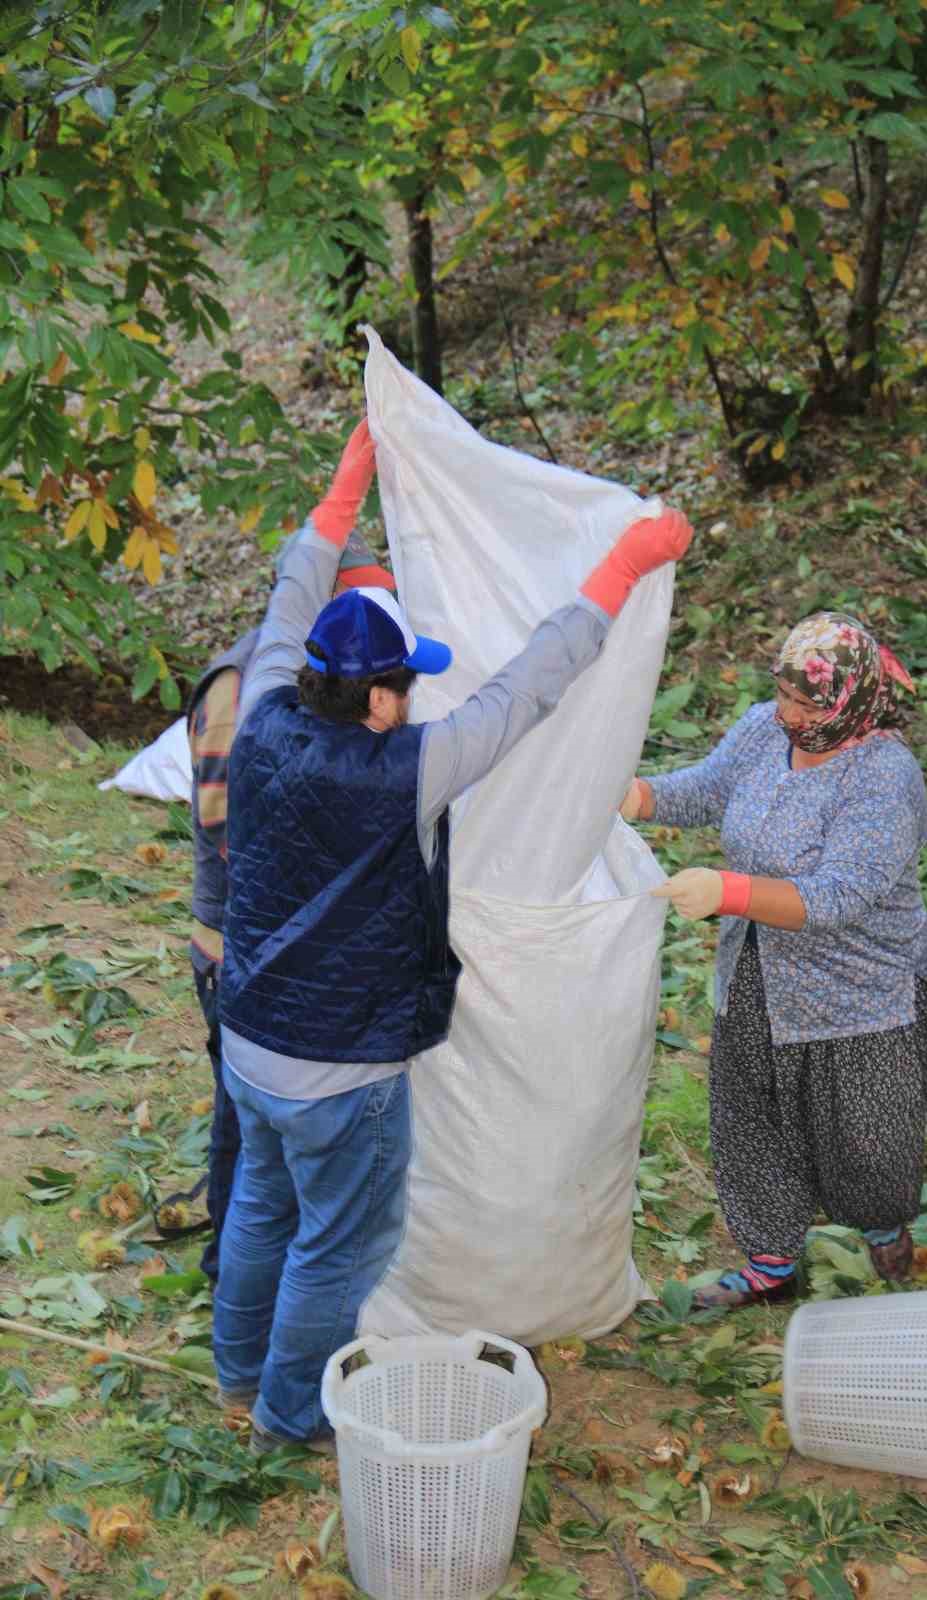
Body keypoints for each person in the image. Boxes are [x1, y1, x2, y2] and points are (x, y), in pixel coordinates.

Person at [212, 417, 692, 1451]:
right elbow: (528, 687)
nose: (416, 693)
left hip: (248, 1040)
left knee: (260, 1204)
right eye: (406, 681)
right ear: (381, 699)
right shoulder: (406, 771)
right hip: (339, 1071)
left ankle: (236, 1372)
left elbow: (288, 604)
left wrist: (342, 498)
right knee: (339, 1246)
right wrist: (622, 565)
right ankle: (290, 1418)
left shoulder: (261, 717)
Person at [621, 611, 927, 1310]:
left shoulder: (883, 775)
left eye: (808, 702)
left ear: (851, 699)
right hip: (763, 967)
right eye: (784, 695)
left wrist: (726, 890)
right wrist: (633, 795)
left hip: (862, 984)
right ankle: (771, 1264)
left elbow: (838, 895)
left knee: (865, 1133)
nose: (790, 714)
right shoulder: (767, 729)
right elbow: (708, 788)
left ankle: (883, 1230)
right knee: (751, 1114)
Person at [184, 531, 392, 1281]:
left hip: (288, 947)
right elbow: (228, 822)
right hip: (237, 950)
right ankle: (226, 1272)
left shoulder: (319, 684)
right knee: (245, 1124)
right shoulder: (240, 690)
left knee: (275, 1129)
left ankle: (252, 1264)